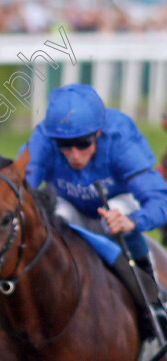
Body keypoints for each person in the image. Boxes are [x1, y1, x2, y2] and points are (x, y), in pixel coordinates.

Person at [25, 83, 167, 341]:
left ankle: (154, 299)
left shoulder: (120, 136)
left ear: (99, 133)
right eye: (64, 146)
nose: (74, 155)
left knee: (116, 210)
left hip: (118, 207)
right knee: (51, 218)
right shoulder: (44, 138)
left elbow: (160, 201)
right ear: (53, 139)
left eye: (83, 143)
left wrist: (132, 221)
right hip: (68, 208)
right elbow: (20, 190)